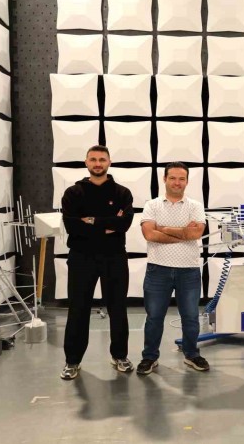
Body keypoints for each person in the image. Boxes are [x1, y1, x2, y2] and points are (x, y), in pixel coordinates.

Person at [59, 145, 135, 380]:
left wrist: (90, 221)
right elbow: (72, 226)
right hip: (82, 257)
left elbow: (124, 224)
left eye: (102, 159)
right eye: (93, 159)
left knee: (118, 308)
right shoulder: (73, 193)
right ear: (86, 163)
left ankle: (120, 355)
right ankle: (72, 361)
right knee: (78, 308)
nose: (97, 163)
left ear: (109, 162)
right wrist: (108, 224)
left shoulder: (122, 193)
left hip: (114, 257)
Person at [137, 162, 209, 375]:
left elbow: (195, 234)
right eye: (173, 178)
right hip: (158, 270)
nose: (177, 182)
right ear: (164, 179)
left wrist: (163, 228)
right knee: (154, 317)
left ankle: (191, 354)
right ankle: (150, 357)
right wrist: (182, 233)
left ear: (187, 181)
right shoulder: (152, 205)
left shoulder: (195, 206)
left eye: (181, 179)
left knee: (191, 317)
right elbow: (149, 234)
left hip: (189, 270)